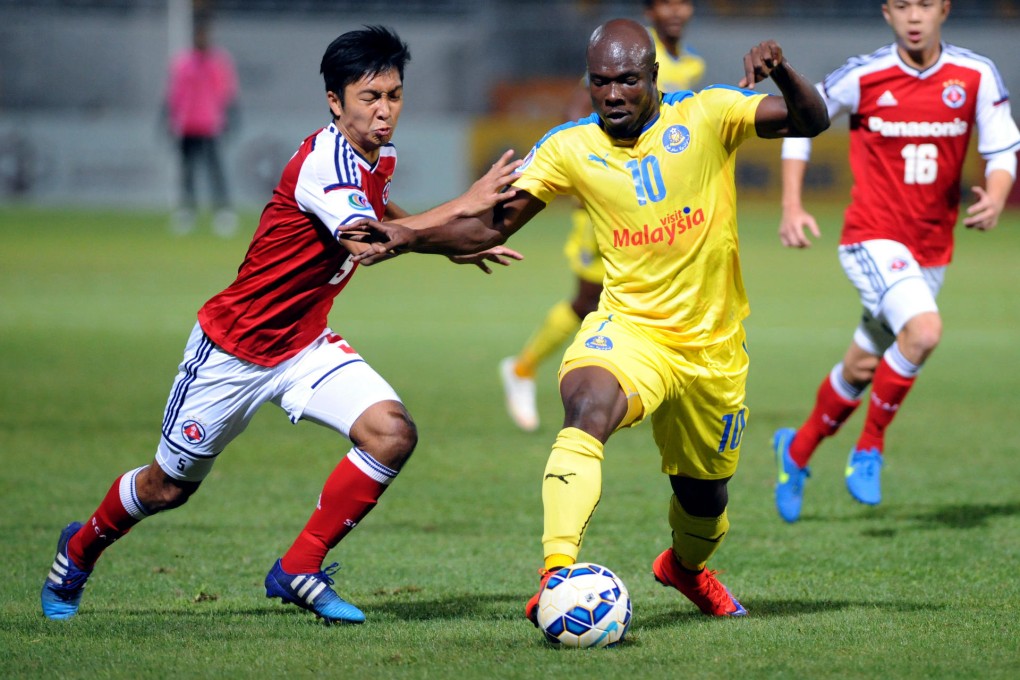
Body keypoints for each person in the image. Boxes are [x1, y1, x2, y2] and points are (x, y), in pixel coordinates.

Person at [342, 19, 829, 618]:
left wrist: (780, 69)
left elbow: (812, 120)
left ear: (652, 76)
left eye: (626, 80)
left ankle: (685, 569)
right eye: (600, 82)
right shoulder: (570, 146)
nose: (613, 94)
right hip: (630, 331)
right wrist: (405, 236)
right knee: (586, 404)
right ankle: (556, 577)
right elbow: (488, 225)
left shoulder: (708, 115)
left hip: (712, 350)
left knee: (704, 499)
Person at [40, 25, 522, 623]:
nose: (384, 110)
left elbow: (382, 213)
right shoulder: (325, 163)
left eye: (393, 95)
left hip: (303, 345)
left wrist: (443, 243)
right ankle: (78, 548)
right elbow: (369, 242)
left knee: (391, 433)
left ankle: (299, 567)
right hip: (232, 350)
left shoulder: (380, 154)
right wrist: (465, 204)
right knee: (168, 488)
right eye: (369, 97)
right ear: (334, 101)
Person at [770, 0, 1020, 523]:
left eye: (924, 4)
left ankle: (795, 451)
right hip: (872, 238)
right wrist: (792, 205)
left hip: (932, 249)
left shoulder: (974, 74)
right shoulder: (864, 74)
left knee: (862, 366)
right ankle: (869, 448)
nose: (914, 15)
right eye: (902, 4)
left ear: (944, 10)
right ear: (886, 13)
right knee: (924, 332)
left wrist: (997, 196)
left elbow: (1001, 151)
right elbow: (801, 121)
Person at [500, 0, 705, 432]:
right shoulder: (622, 57)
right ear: (650, 11)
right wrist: (588, 175)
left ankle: (645, 381)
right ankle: (525, 368)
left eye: (683, 3)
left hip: (651, 209)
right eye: (665, 4)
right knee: (589, 298)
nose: (675, 12)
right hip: (609, 202)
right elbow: (577, 113)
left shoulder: (689, 66)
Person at [164, 13, 240, 236]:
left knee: (215, 170)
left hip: (210, 124)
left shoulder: (218, 62)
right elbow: (174, 94)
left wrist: (230, 118)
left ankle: (223, 212)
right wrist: (169, 120)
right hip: (188, 125)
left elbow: (226, 92)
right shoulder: (183, 63)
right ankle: (187, 211)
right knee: (188, 171)